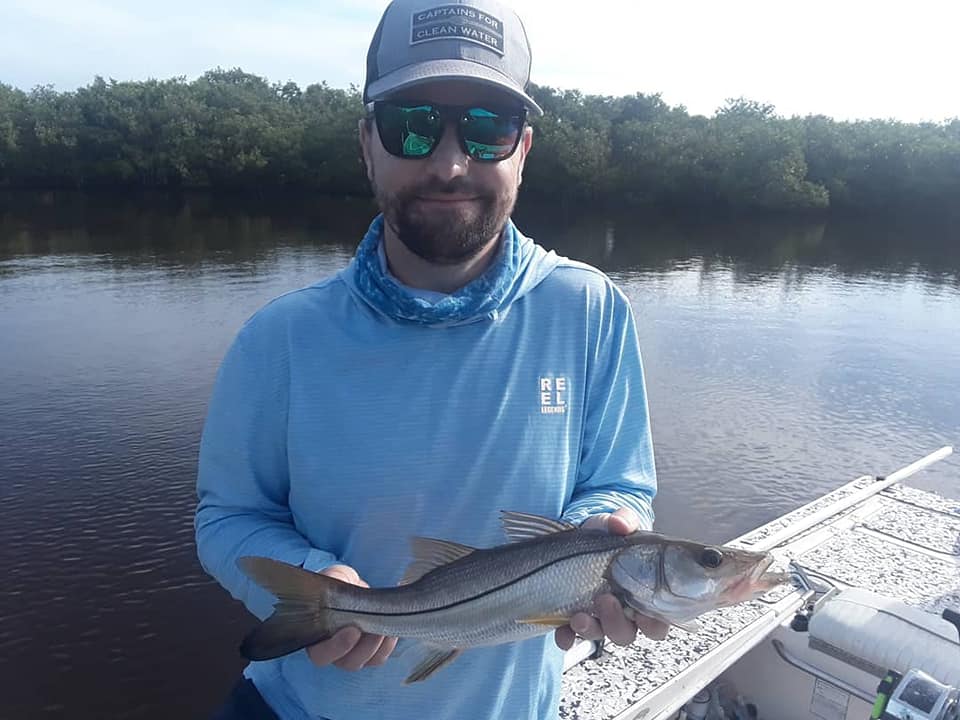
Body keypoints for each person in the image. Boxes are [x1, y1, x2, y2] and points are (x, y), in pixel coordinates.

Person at [195, 1, 662, 718]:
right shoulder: (279, 338)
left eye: (487, 129)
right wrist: (318, 586)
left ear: (524, 150)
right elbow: (228, 518)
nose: (449, 164)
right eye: (411, 126)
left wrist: (601, 555)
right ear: (366, 145)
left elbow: (621, 484)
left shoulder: (590, 309)